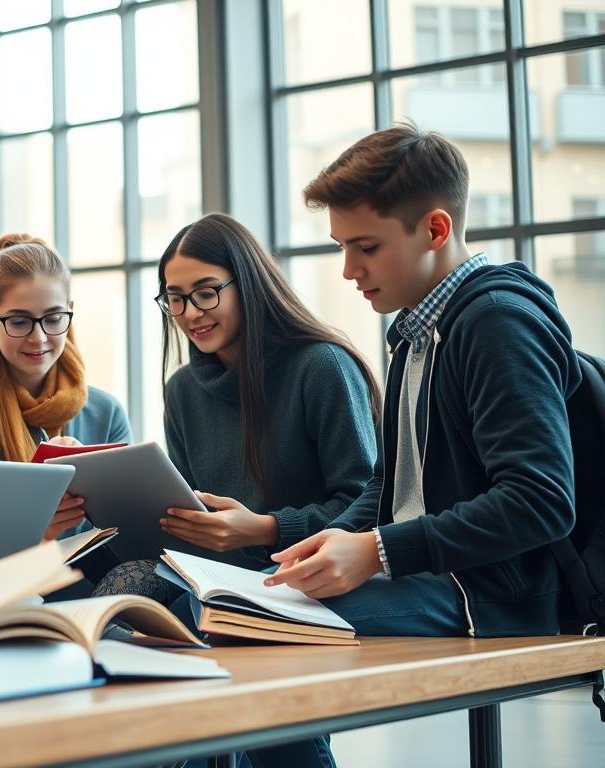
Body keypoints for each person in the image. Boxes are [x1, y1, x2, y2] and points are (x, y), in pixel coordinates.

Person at [233, 125, 579, 768]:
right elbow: (391, 486)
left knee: (262, 645)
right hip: (432, 574)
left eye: (365, 247)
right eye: (341, 247)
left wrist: (379, 550)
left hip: (493, 593)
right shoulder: (414, 331)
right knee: (235, 613)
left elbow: (541, 501)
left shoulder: (497, 321)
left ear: (435, 230)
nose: (348, 270)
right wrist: (326, 543)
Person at [93, 213, 380, 601]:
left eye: (206, 292)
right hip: (215, 572)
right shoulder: (182, 391)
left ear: (247, 285)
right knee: (116, 585)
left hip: (304, 575)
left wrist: (265, 528)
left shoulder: (321, 367)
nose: (191, 313)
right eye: (175, 299)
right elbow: (188, 512)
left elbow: (366, 506)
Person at [0, 233, 131, 542]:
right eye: (19, 322)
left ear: (70, 312)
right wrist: (34, 529)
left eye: (53, 318)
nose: (39, 338)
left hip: (97, 585)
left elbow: (125, 530)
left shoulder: (106, 412)